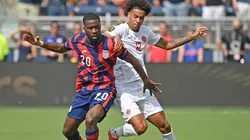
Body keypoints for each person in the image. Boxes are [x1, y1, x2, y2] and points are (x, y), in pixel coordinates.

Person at [22, 13, 161, 140]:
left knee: (90, 119)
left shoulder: (111, 44)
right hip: (84, 90)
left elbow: (133, 60)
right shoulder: (78, 40)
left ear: (100, 26)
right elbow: (60, 48)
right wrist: (38, 43)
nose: (94, 31)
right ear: (84, 29)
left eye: (97, 27)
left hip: (105, 88)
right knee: (68, 131)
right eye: (90, 28)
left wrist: (145, 79)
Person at [104, 0, 208, 140]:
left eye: (141, 17)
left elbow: (168, 44)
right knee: (140, 128)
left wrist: (192, 36)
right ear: (128, 14)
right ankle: (114, 133)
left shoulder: (145, 32)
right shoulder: (121, 29)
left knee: (165, 126)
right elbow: (105, 36)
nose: (138, 20)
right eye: (135, 16)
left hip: (142, 85)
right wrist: (115, 37)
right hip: (123, 89)